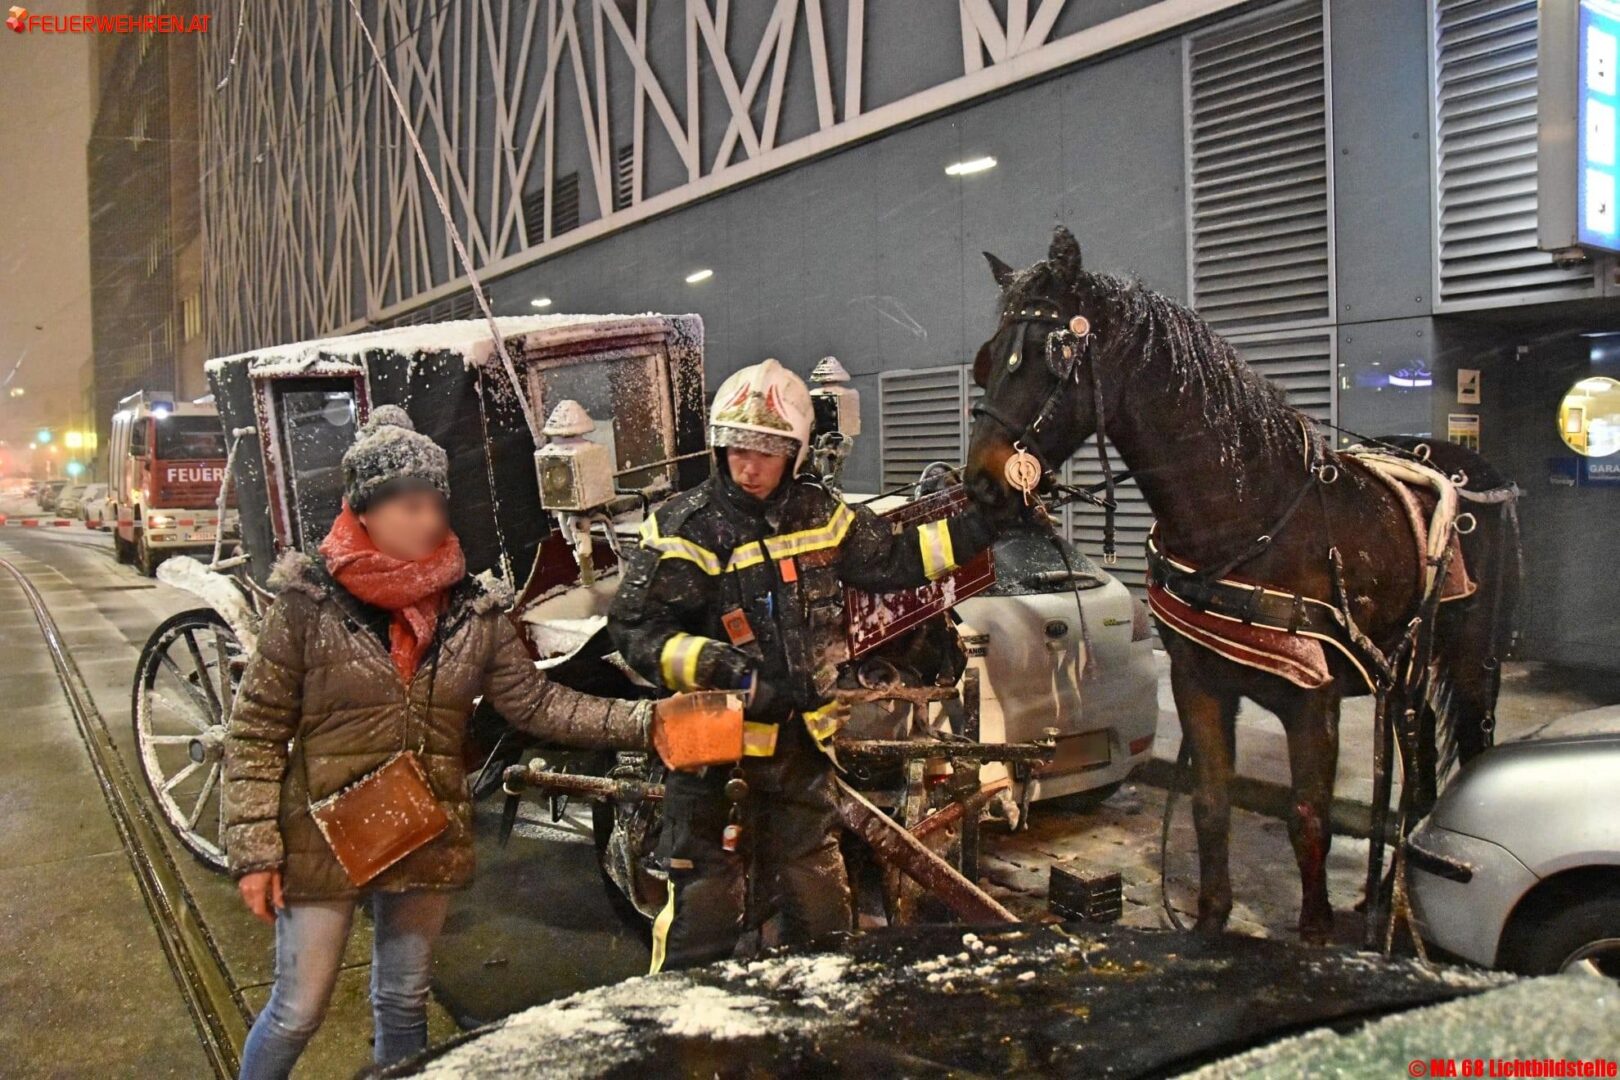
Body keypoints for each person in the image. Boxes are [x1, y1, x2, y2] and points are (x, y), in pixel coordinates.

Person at [224, 405, 652, 1079]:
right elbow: (255, 729)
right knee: (297, 1009)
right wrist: (254, 850)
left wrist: (647, 721)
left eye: (435, 504)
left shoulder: (471, 609)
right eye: (410, 505)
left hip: (423, 826)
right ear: (364, 511)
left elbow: (538, 703)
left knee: (403, 1000)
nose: (428, 520)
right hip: (319, 834)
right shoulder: (307, 604)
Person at [608, 359, 996, 972]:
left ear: (795, 453)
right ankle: (680, 1023)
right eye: (738, 449)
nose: (748, 466)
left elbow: (895, 558)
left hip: (799, 751)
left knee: (821, 907)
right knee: (704, 915)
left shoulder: (820, 513)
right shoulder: (686, 528)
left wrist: (980, 527)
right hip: (711, 757)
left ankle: (820, 1014)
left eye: (766, 452)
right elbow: (636, 630)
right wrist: (730, 673)